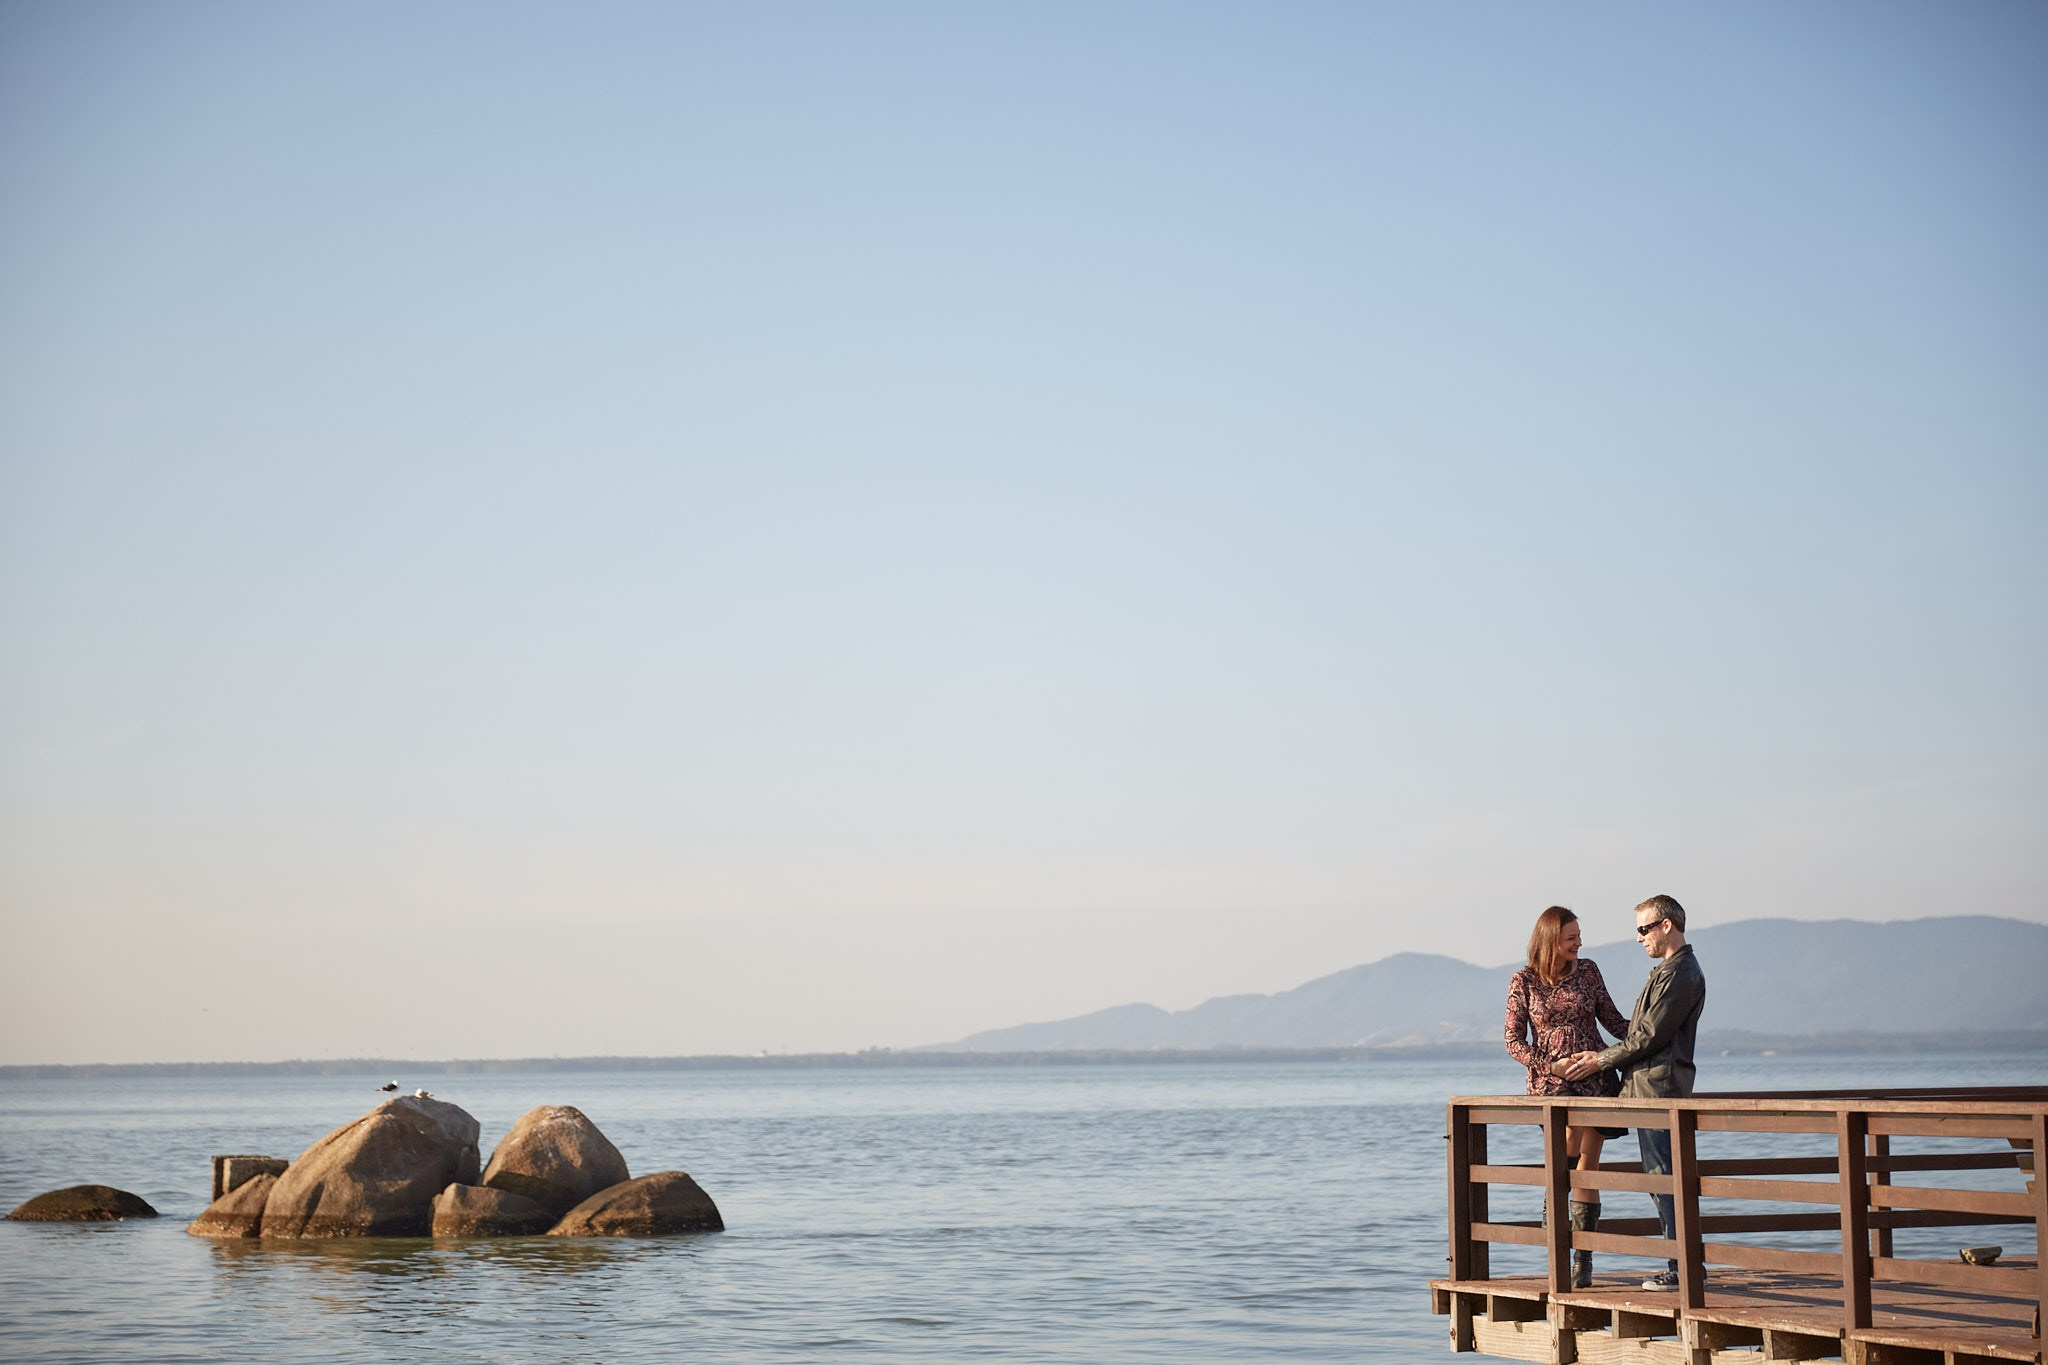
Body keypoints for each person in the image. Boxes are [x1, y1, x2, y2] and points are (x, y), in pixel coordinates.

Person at [1558, 894, 1706, 1292]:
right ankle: (1683, 1265)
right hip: (1647, 1090)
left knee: (1663, 1178)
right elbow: (1639, 1032)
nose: (1639, 938)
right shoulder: (1668, 970)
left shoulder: (1679, 973)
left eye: (1644, 929)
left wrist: (1599, 1061)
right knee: (1660, 1178)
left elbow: (1648, 1036)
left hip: (1658, 1091)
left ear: (1666, 926)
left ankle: (1683, 1269)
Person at [1503, 905, 1629, 1287]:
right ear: (1550, 940)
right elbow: (1512, 1041)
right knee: (1568, 1154)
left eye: (1579, 936)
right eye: (1570, 937)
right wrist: (1550, 1066)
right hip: (1551, 1083)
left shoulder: (1589, 971)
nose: (1579, 943)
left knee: (1587, 1167)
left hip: (1594, 1076)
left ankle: (1583, 1261)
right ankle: (1554, 1202)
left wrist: (1652, 1033)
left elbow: (1613, 1020)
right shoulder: (1523, 980)